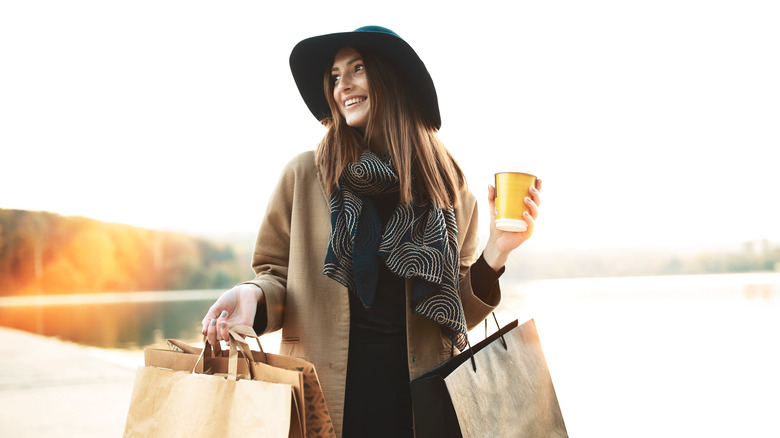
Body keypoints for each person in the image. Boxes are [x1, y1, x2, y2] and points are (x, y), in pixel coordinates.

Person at [201, 25, 541, 437]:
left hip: (424, 411)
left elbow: (454, 316)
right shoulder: (305, 176)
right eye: (335, 76)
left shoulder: (450, 190)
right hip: (325, 407)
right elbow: (275, 276)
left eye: (357, 69)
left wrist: (497, 252)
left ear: (391, 77)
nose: (343, 85)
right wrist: (252, 296)